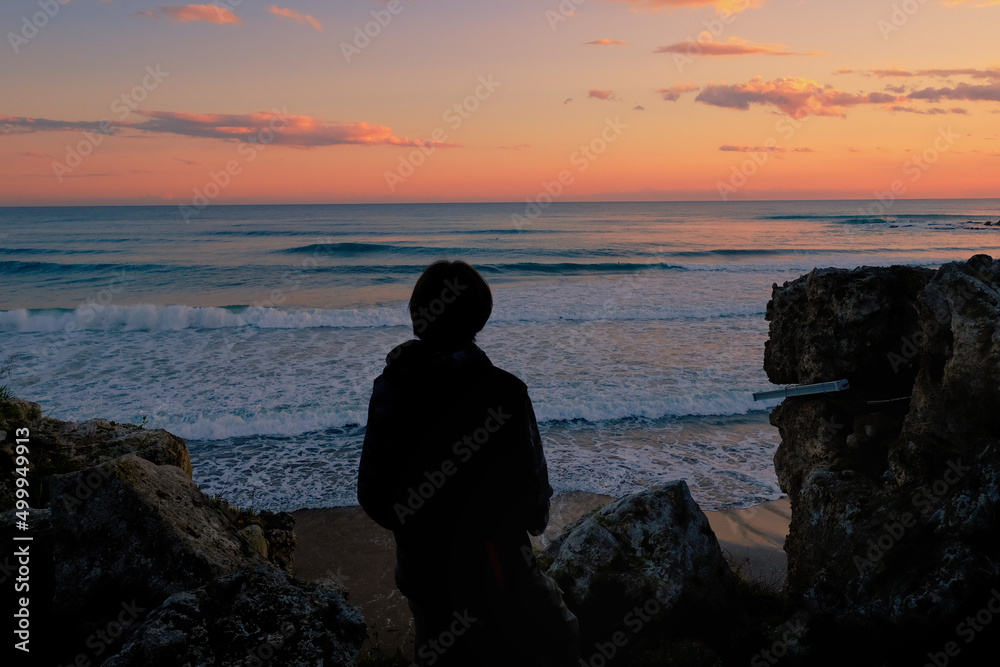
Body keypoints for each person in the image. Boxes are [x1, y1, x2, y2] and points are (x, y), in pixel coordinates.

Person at [358, 260, 580, 666]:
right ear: (479, 317)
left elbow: (373, 495)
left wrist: (423, 527)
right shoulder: (505, 393)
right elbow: (534, 504)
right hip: (498, 574)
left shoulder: (388, 387)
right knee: (562, 638)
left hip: (423, 575)